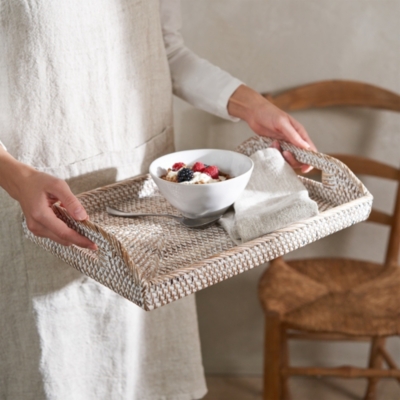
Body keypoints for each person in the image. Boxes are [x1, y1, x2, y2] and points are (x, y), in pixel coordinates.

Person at [0, 1, 316, 399]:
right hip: (35, 198)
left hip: (147, 201)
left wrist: (251, 105)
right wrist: (13, 173)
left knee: (146, 372)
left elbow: (164, 51)